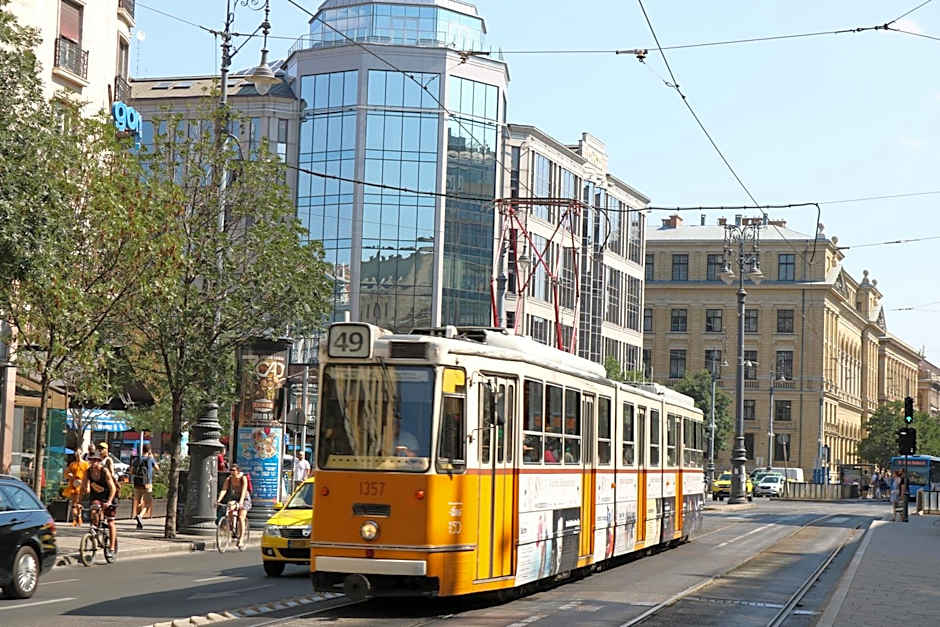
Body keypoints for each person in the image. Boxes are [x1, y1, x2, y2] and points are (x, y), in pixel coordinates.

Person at [82, 456, 118, 553]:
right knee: (94, 511)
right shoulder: (88, 472)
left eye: (95, 461)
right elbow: (84, 488)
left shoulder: (105, 471)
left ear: (99, 462)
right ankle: (95, 532)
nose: (93, 463)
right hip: (96, 497)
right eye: (91, 461)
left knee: (110, 522)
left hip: (109, 496)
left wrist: (109, 501)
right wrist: (78, 501)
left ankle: (112, 547)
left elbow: (113, 488)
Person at [217, 464, 250, 546]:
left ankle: (241, 539)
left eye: (233, 470)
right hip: (234, 498)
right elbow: (224, 490)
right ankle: (232, 527)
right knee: (229, 508)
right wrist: (218, 500)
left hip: (244, 498)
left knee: (241, 517)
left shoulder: (243, 478)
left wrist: (241, 502)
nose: (231, 471)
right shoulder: (229, 479)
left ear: (238, 471)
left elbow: (244, 490)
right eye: (230, 470)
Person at [131, 444, 158, 530]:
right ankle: (140, 516)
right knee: (148, 503)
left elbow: (131, 471)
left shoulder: (137, 459)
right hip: (147, 483)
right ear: (149, 450)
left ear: (142, 450)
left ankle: (139, 524)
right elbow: (157, 468)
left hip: (137, 482)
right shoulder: (150, 459)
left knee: (138, 502)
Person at [63, 454, 89, 526]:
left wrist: (87, 485)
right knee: (73, 503)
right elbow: (66, 473)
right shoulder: (72, 464)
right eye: (76, 454)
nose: (77, 456)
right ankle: (74, 520)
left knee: (78, 503)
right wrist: (69, 475)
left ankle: (79, 517)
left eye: (79, 454)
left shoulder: (85, 464)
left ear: (81, 454)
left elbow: (88, 475)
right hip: (73, 485)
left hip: (81, 485)